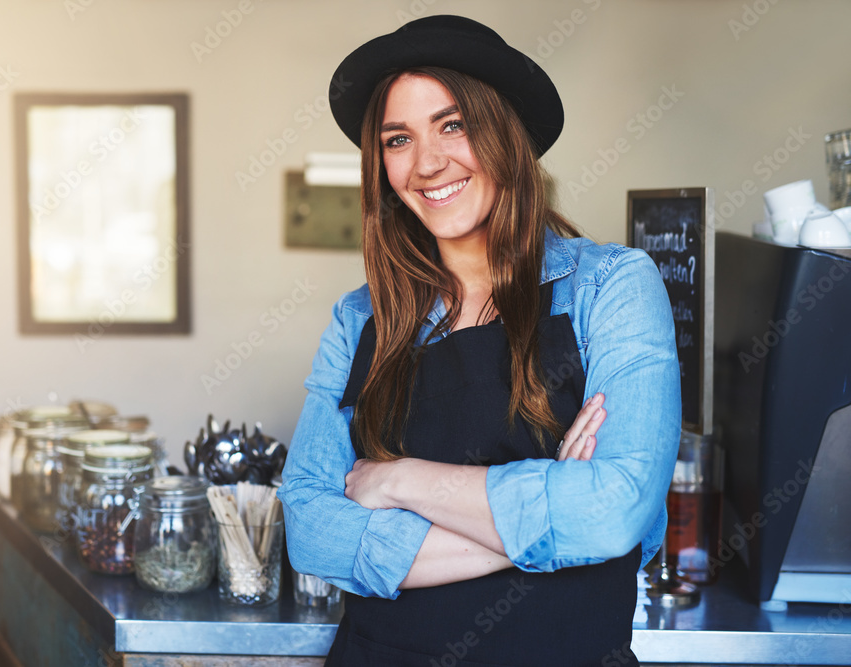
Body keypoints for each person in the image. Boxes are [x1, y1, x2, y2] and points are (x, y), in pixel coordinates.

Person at [278, 14, 680, 667]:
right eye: (398, 138)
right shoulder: (359, 320)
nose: (428, 162)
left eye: (453, 125)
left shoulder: (613, 287)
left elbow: (615, 511)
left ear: (504, 133)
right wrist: (549, 517)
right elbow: (311, 528)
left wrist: (400, 480)